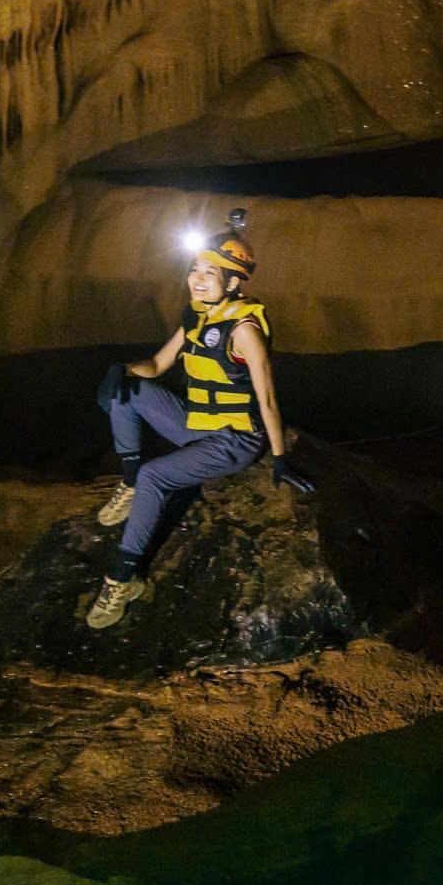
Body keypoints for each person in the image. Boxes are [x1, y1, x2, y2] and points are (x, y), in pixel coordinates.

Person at [88, 219, 313, 630]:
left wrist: (280, 457)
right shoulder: (197, 317)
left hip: (235, 439)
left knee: (160, 475)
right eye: (194, 269)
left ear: (231, 284)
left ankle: (121, 580)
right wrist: (121, 370)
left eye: (209, 272)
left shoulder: (243, 330)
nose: (196, 279)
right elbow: (156, 365)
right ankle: (130, 481)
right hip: (197, 423)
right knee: (129, 388)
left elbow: (266, 397)